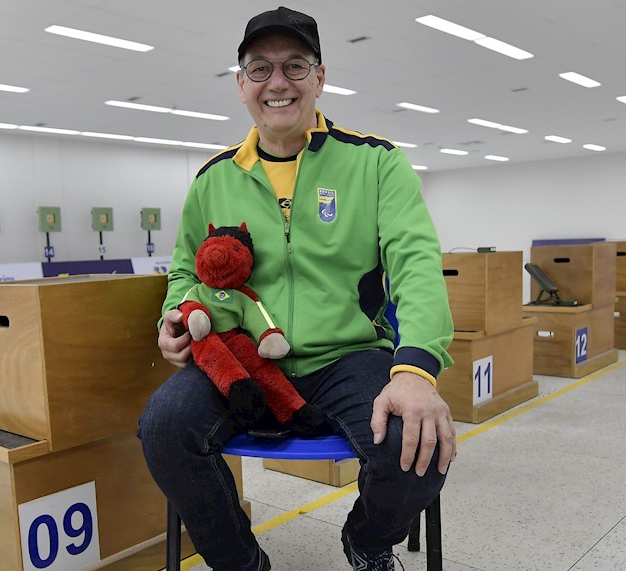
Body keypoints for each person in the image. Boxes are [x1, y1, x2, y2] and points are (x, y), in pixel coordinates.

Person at [138, 6, 456, 570]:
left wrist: (415, 371)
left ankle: (366, 541)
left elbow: (417, 266)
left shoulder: (375, 163)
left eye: (294, 65)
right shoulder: (213, 178)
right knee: (164, 427)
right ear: (241, 85)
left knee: (418, 446)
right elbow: (185, 269)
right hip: (239, 357)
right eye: (259, 68)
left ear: (319, 77)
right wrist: (173, 317)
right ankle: (242, 563)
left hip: (348, 353)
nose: (277, 82)